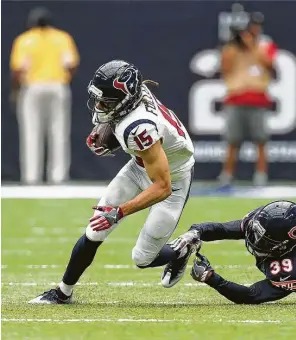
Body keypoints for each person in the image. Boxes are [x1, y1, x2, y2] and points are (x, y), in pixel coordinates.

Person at [29, 60, 195, 304]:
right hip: (139, 166)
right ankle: (63, 292)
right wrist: (108, 125)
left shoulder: (140, 128)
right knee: (94, 231)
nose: (98, 106)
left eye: (104, 101)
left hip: (174, 178)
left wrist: (119, 212)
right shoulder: (136, 93)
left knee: (142, 258)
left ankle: (183, 248)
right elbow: (124, 117)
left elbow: (162, 187)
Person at [163, 200, 296, 304]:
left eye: (265, 240)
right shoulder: (262, 220)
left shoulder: (291, 269)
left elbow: (252, 294)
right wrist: (196, 231)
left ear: (286, 244)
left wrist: (212, 278)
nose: (255, 240)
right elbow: (224, 229)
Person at [10, 7, 80, 184]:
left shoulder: (25, 40)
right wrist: (65, 79)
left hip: (33, 86)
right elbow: (71, 64)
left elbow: (18, 69)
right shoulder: (62, 38)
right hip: (57, 85)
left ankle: (31, 176)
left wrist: (16, 89)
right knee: (59, 131)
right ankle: (58, 176)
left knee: (31, 131)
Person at [218, 14, 277, 187]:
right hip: (236, 98)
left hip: (258, 97)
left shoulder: (265, 45)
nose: (255, 29)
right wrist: (235, 44)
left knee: (261, 140)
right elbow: (225, 67)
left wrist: (251, 46)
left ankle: (260, 176)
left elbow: (270, 64)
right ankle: (227, 176)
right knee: (232, 140)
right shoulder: (231, 47)